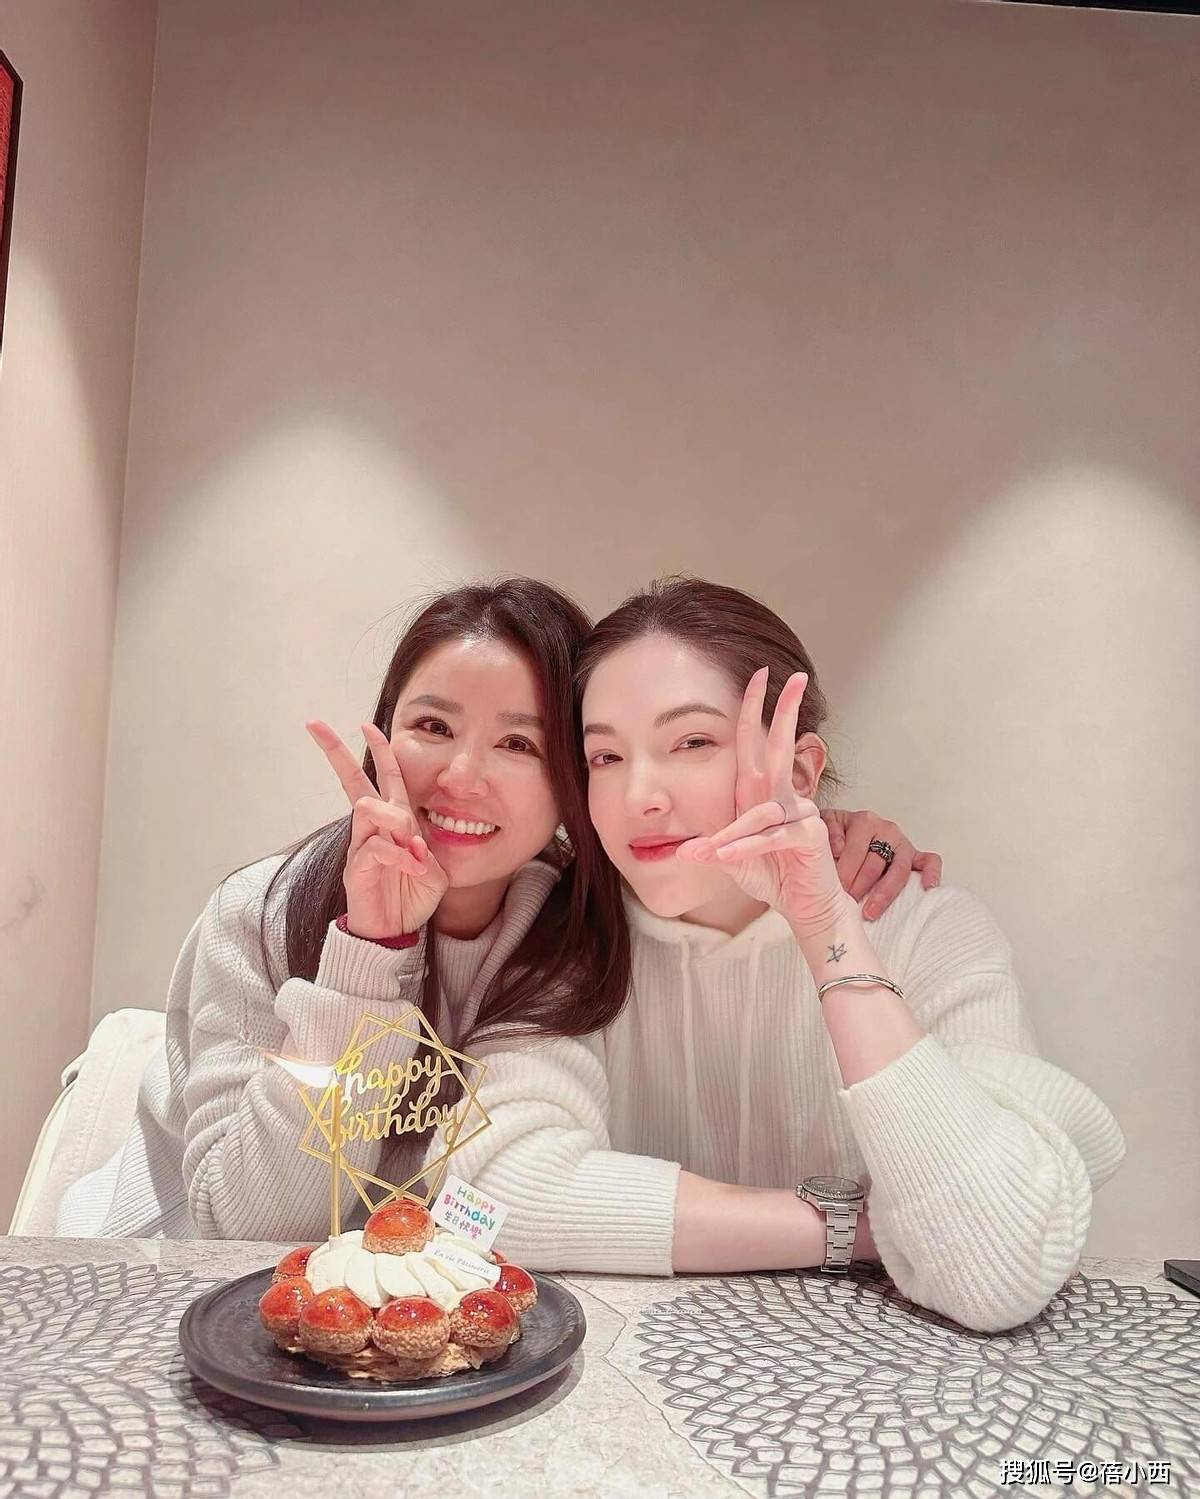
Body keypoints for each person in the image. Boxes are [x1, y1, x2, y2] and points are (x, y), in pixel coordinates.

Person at [56, 578, 932, 1239]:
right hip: (153, 1278)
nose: (462, 776)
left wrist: (827, 828)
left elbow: (492, 1198)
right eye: (432, 726)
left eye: (518, 742)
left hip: (410, 1316)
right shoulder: (263, 912)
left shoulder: (568, 925)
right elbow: (247, 1227)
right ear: (382, 732)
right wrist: (368, 951)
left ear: (572, 782)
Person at [423, 577, 1126, 1334]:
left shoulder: (927, 931)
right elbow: (482, 1201)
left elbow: (995, 1268)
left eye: (691, 742)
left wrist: (827, 932)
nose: (639, 795)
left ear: (798, 770)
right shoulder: (568, 940)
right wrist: (853, 1228)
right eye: (606, 756)